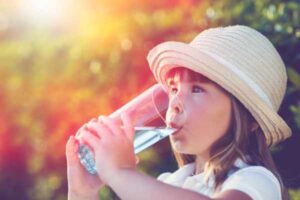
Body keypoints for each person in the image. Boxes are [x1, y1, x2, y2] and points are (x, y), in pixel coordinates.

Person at [66, 25, 292, 200]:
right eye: (174, 89)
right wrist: (81, 193)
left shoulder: (257, 181)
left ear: (250, 118)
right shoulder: (171, 183)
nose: (174, 102)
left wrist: (121, 174)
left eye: (197, 89)